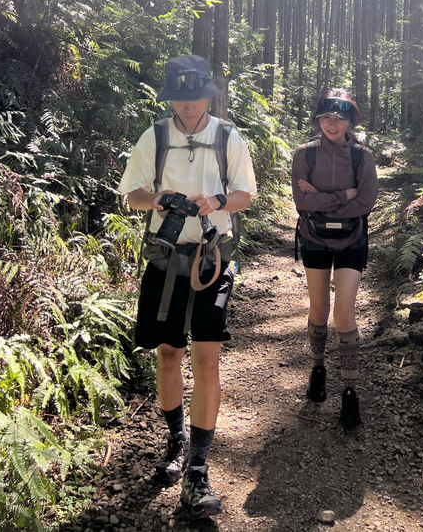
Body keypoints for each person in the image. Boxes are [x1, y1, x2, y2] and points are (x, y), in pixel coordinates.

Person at [118, 54, 256, 518]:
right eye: (180, 97)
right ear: (170, 97)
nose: (189, 105)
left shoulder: (227, 136)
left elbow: (246, 195)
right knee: (169, 353)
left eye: (195, 96)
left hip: (214, 257)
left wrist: (216, 200)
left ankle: (197, 468)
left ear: (208, 95)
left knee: (207, 354)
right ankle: (175, 437)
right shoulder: (155, 137)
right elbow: (132, 193)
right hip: (165, 258)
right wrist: (155, 198)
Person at [291, 89, 378, 430]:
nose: (333, 123)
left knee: (343, 312)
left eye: (340, 118)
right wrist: (344, 195)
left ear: (350, 122)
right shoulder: (304, 154)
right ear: (319, 119)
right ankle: (317, 368)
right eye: (327, 117)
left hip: (352, 241)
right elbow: (302, 202)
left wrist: (322, 198)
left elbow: (367, 201)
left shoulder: (362, 157)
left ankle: (350, 391)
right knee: (318, 310)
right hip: (313, 239)